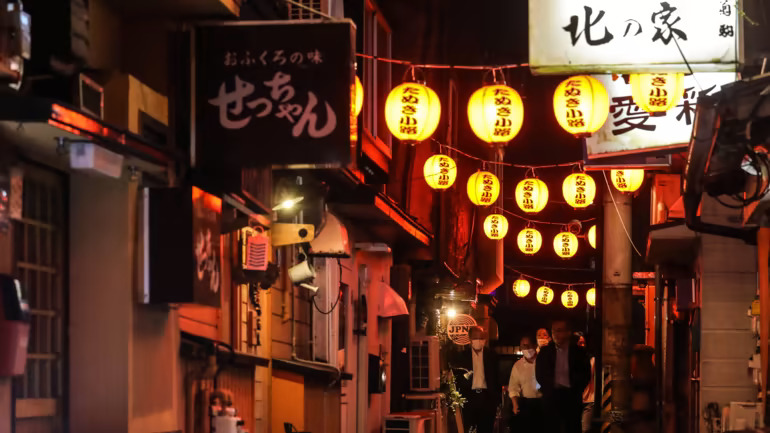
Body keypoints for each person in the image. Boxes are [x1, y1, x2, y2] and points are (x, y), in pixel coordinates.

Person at [535, 319, 591, 433]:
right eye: (553, 331)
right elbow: (540, 374)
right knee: (551, 428)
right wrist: (549, 389)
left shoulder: (578, 352)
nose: (555, 334)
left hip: (571, 397)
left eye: (559, 330)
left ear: (568, 332)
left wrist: (575, 389)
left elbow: (585, 374)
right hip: (551, 397)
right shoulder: (545, 352)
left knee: (572, 427)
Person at [457, 326, 500, 433]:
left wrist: (497, 400)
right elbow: (458, 377)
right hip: (469, 398)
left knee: (486, 429)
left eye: (481, 338)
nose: (479, 340)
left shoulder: (491, 355)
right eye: (476, 338)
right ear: (470, 338)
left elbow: (497, 377)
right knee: (468, 429)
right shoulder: (462, 356)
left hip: (487, 398)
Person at [508, 334, 543, 432]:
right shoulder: (517, 366)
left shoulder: (543, 362)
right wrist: (515, 404)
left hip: (542, 404)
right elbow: (513, 387)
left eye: (528, 345)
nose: (526, 348)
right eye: (523, 346)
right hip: (526, 405)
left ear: (535, 345)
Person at [576, 334, 595, 433]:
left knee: (585, 429)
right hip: (574, 401)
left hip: (589, 400)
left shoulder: (591, 359)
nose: (582, 345)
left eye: (584, 343)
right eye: (580, 343)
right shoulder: (569, 359)